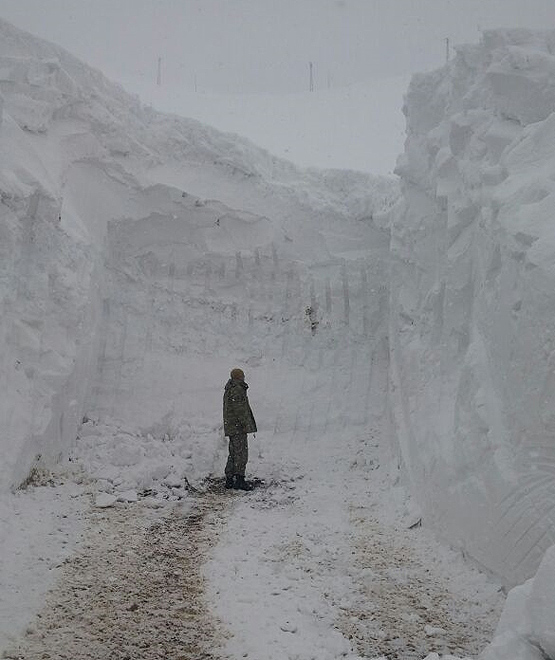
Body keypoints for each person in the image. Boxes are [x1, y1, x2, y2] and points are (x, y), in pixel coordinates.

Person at [223, 367, 257, 490]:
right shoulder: (237, 389)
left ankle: (230, 479)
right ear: (239, 377)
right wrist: (245, 424)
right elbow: (240, 410)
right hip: (238, 428)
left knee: (233, 453)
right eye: (242, 375)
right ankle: (239, 480)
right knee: (241, 453)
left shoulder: (230, 388)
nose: (244, 377)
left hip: (232, 427)